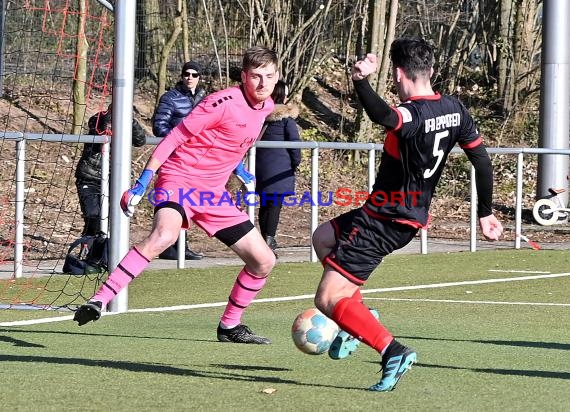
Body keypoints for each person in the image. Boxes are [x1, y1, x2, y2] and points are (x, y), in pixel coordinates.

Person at [311, 38, 504, 392]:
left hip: (384, 218)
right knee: (323, 237)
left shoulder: (412, 114)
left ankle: (392, 351)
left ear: (399, 74)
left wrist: (359, 80)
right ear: (430, 70)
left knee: (326, 299)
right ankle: (361, 318)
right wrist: (485, 212)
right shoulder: (454, 108)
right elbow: (481, 159)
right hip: (402, 215)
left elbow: (384, 115)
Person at [73, 46, 280, 345]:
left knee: (263, 261)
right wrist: (142, 182)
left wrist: (240, 169)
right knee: (164, 236)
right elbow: (176, 137)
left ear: (277, 77)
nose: (262, 84)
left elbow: (225, 140)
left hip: (213, 194)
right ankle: (100, 300)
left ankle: (230, 327)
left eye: (269, 77)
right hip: (179, 178)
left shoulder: (267, 107)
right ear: (244, 77)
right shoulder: (219, 102)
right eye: (256, 77)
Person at [152, 60, 206, 260]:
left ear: (200, 77)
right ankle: (172, 246)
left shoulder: (204, 99)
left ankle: (180, 245)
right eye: (186, 74)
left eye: (194, 74)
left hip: (196, 160)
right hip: (174, 159)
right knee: (173, 202)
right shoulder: (170, 98)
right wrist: (180, 142)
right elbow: (159, 126)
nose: (190, 77)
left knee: (188, 202)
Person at [75, 103, 146, 237]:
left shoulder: (128, 124)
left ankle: (103, 250)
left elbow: (140, 141)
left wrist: (130, 122)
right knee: (93, 215)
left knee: (112, 218)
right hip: (91, 177)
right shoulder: (99, 119)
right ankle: (88, 242)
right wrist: (109, 119)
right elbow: (96, 127)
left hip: (115, 180)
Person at [255, 80, 301, 255]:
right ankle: (269, 240)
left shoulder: (261, 117)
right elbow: (294, 145)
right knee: (274, 206)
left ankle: (265, 240)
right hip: (279, 170)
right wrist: (295, 162)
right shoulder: (286, 120)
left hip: (260, 168)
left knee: (265, 205)